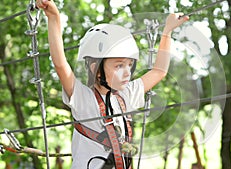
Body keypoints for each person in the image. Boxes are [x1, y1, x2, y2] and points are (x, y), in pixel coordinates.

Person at [36, 0, 189, 168]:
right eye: (119, 66)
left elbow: (159, 71)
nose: (127, 72)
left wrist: (167, 32)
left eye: (130, 65)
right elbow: (60, 64)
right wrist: (54, 17)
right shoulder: (83, 98)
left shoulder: (126, 95)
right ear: (97, 69)